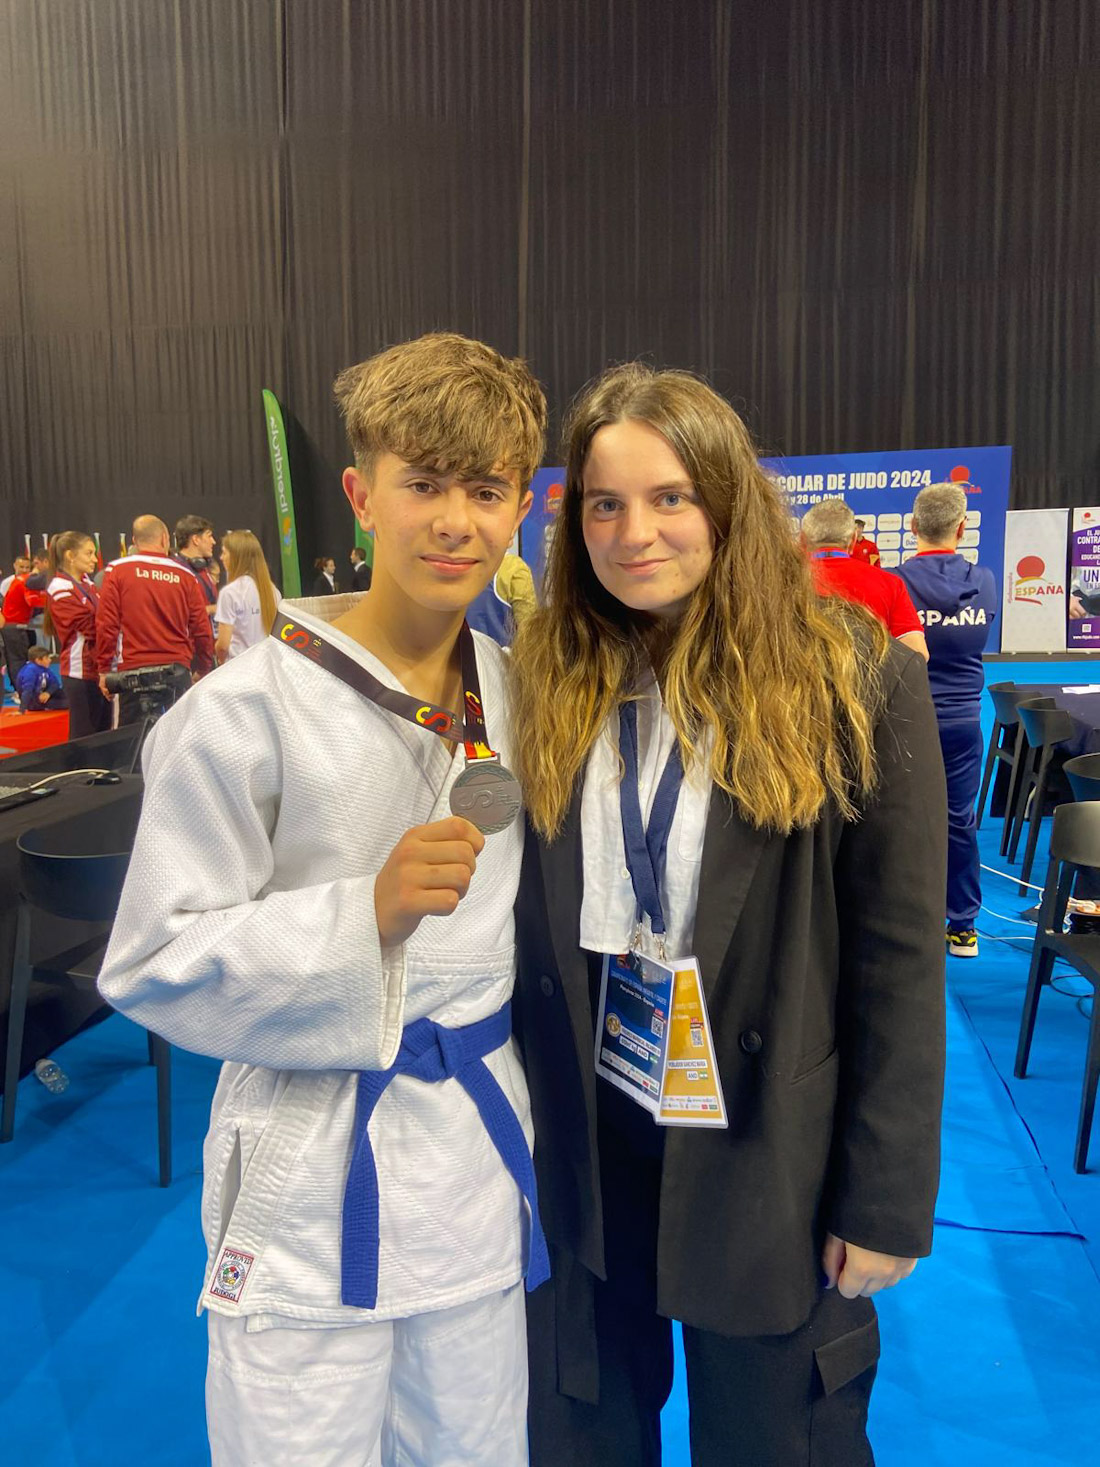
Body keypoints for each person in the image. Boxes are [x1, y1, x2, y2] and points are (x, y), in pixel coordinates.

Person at [96, 332, 549, 1466]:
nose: (454, 521)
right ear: (360, 495)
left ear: (521, 508)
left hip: (472, 1164)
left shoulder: (523, 695)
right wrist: (364, 917)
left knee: (476, 1448)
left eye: (484, 490)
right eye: (423, 484)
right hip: (309, 1160)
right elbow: (148, 957)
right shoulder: (239, 711)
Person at [509, 364, 947, 1467]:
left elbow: (899, 956)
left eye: (669, 497)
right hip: (591, 1125)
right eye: (603, 504)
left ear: (727, 501)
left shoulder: (848, 676)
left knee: (774, 1435)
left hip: (767, 1137)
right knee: (583, 1428)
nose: (633, 533)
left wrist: (883, 1198)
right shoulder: (549, 675)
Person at [898, 483, 998, 958]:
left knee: (899, 821)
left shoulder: (894, 583)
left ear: (913, 526)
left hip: (906, 721)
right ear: (961, 528)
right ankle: (963, 927)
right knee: (959, 820)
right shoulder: (986, 581)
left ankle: (902, 921)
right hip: (962, 721)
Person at [96, 515, 214, 725]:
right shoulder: (186, 575)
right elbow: (201, 628)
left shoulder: (117, 570)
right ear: (165, 539)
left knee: (133, 740)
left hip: (132, 672)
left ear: (134, 540)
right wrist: (204, 668)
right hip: (176, 671)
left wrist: (104, 670)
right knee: (177, 737)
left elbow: (107, 624)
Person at [803, 498, 929, 660]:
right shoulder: (889, 584)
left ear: (802, 540)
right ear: (853, 540)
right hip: (872, 674)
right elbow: (918, 655)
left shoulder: (782, 582)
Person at [45, 530, 111, 738]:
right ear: (70, 556)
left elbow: (104, 618)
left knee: (103, 734)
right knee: (84, 737)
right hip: (80, 672)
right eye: (89, 553)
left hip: (99, 668)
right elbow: (91, 627)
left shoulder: (88, 584)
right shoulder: (60, 588)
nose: (95, 559)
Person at [214, 529, 280, 663]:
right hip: (266, 665)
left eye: (224, 552)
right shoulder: (273, 591)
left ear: (236, 556)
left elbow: (223, 646)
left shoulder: (230, 593)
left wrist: (221, 661)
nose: (221, 557)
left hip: (239, 667)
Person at [1, 549, 50, 693]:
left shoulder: (23, 581)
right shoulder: (25, 581)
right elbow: (33, 602)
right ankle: (21, 691)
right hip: (13, 625)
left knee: (20, 659)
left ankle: (23, 689)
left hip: (19, 625)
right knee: (18, 660)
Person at [466, 549, 538, 645]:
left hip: (465, 651)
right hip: (503, 652)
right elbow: (528, 631)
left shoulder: (459, 566)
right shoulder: (514, 569)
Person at [173, 515, 219, 618]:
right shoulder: (176, 571)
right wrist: (211, 609)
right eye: (209, 536)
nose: (213, 541)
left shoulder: (204, 568)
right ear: (196, 540)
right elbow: (177, 613)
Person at [15, 645, 67, 713]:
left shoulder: (45, 668)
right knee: (69, 703)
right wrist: (21, 710)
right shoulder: (30, 671)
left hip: (44, 695)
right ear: (38, 660)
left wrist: (48, 693)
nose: (50, 660)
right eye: (47, 658)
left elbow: (55, 683)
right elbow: (27, 690)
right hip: (35, 702)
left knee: (69, 695)